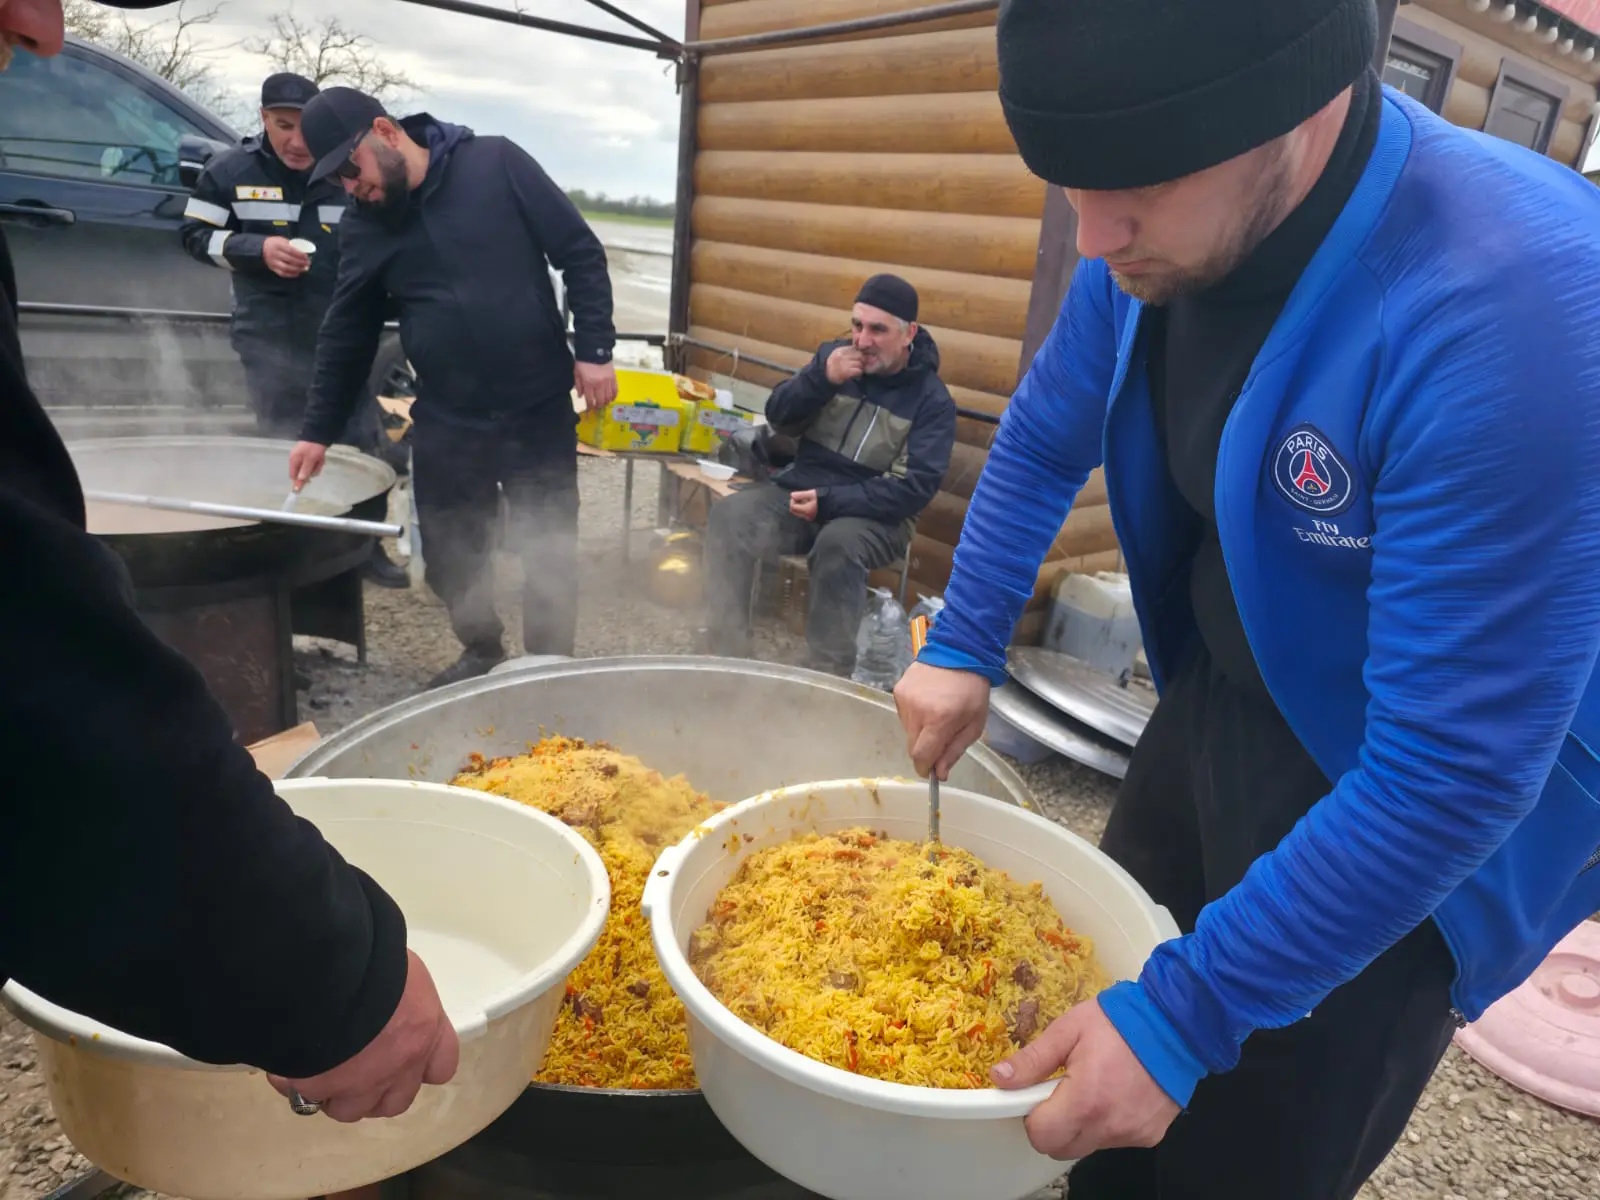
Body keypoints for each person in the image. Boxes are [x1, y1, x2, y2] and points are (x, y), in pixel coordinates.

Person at [894, 1, 1600, 1197]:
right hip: (1223, 697)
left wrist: (1190, 1012)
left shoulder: (1516, 308)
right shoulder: (1138, 232)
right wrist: (963, 640)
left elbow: (1454, 770)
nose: (1096, 233)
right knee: (1101, 1059)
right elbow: (1040, 433)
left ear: (1310, 100)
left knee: (1247, 1145)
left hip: (1420, 807)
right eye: (1068, 180)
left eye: (1142, 183)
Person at [1, 0, 457, 1123]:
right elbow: (34, 679)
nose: (46, 28)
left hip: (329, 348)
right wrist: (320, 972)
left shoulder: (400, 188)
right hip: (265, 333)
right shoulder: (226, 164)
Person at [285, 88, 618, 689]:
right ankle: (483, 648)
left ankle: (549, 668)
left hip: (536, 406)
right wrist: (317, 429)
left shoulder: (495, 164)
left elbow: (580, 253)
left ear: (384, 132)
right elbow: (347, 333)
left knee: (549, 547)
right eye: (335, 181)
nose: (349, 189)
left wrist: (595, 351)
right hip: (448, 416)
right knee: (448, 554)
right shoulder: (366, 226)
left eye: (349, 170)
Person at [180, 71, 408, 589]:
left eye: (306, 127)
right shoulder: (229, 170)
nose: (297, 140)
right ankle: (294, 550)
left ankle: (365, 549)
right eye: (283, 125)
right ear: (264, 119)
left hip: (339, 337)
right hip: (268, 337)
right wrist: (252, 250)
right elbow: (192, 235)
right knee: (286, 445)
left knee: (360, 445)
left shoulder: (342, 172)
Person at [703, 275, 956, 675]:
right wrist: (821, 380)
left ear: (909, 333)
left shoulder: (931, 402)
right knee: (730, 517)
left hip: (879, 515)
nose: (862, 340)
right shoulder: (832, 360)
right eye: (857, 325)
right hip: (804, 491)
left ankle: (827, 672)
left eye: (878, 329)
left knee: (838, 544)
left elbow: (913, 489)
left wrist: (831, 500)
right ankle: (725, 652)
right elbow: (778, 416)